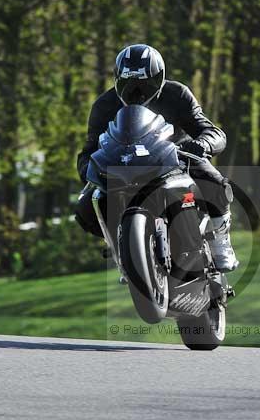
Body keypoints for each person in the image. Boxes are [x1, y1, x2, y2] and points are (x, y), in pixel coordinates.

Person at [76, 44, 239, 272]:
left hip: (172, 160)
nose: (136, 93)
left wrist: (202, 144)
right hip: (124, 168)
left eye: (144, 85)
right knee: (85, 204)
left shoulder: (177, 94)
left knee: (212, 178)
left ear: (159, 79)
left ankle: (221, 240)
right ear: (117, 80)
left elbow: (211, 131)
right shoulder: (104, 105)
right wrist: (87, 168)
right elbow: (89, 148)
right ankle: (120, 246)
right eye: (128, 85)